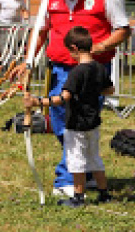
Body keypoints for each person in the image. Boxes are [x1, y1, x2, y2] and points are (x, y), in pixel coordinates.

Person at [15, 0, 130, 198]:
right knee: (61, 120)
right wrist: (27, 61)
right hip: (60, 67)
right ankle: (83, 173)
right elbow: (41, 32)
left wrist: (99, 47)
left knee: (78, 122)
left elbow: (123, 30)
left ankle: (69, 177)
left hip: (91, 70)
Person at [24, 26, 114, 208]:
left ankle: (78, 197)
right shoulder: (99, 67)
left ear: (74, 48)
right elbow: (110, 89)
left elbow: (63, 98)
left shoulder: (76, 72)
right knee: (94, 157)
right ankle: (104, 193)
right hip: (93, 122)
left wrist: (37, 102)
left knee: (76, 160)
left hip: (77, 124)